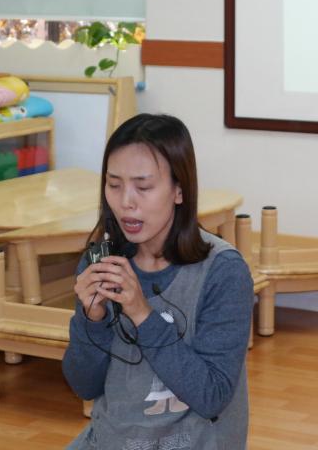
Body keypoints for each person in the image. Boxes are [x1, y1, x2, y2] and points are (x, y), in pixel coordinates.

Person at [62, 113, 254, 449]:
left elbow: (211, 396)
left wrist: (142, 313)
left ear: (179, 190)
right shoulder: (101, 261)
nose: (126, 202)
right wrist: (91, 321)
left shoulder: (223, 271)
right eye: (114, 185)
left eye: (144, 187)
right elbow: (84, 387)